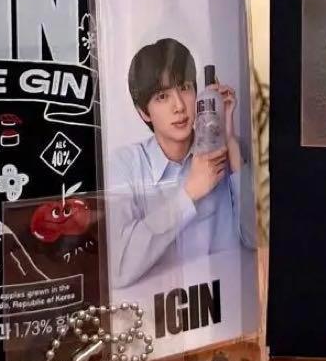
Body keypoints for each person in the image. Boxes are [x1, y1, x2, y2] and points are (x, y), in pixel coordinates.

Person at [109, 38, 256, 288]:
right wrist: (188, 194)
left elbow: (257, 239)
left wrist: (230, 140)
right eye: (162, 96)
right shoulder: (124, 165)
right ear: (144, 112)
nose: (179, 106)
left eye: (185, 88)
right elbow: (118, 270)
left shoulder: (229, 151)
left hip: (229, 304)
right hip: (163, 309)